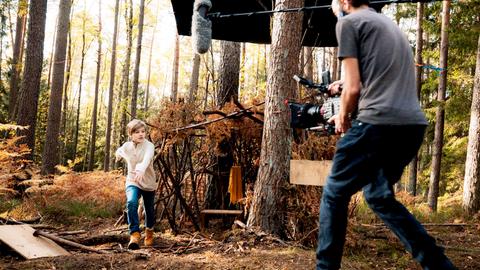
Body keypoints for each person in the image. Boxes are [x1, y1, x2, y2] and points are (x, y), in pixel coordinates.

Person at [316, 0, 456, 269]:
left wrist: (343, 117)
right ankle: (439, 265)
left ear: (344, 2)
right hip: (411, 127)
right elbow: (376, 78)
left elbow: (354, 88)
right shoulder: (388, 25)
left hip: (378, 125)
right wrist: (345, 91)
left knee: (334, 192)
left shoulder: (347, 22)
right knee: (378, 195)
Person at [116, 119, 158, 249]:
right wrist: (118, 155)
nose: (141, 134)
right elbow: (119, 151)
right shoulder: (127, 146)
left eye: (143, 131)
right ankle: (134, 234)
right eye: (137, 132)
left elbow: (147, 158)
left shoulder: (149, 146)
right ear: (131, 134)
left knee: (149, 209)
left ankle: (149, 232)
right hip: (133, 180)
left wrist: (141, 168)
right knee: (131, 202)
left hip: (148, 182)